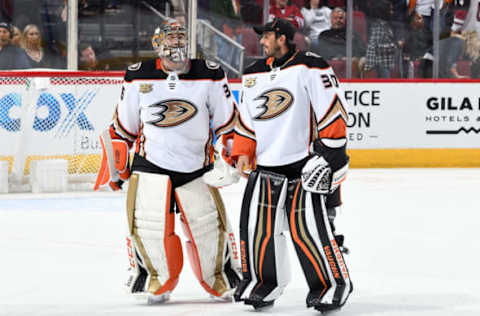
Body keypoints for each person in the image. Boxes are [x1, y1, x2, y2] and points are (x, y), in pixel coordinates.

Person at [94, 19, 241, 303]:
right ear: (157, 44)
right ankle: (154, 278)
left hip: (197, 167)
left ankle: (220, 277)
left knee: (209, 229)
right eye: (169, 37)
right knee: (149, 228)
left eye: (180, 37)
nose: (176, 42)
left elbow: (227, 123)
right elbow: (125, 127)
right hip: (152, 165)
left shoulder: (209, 74)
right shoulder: (138, 75)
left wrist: (229, 155)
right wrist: (117, 165)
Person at [232, 18, 352, 313]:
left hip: (304, 165)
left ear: (282, 38)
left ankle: (331, 285)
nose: (261, 42)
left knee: (308, 231)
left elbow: (332, 110)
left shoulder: (311, 65)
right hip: (267, 166)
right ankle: (263, 283)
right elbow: (246, 120)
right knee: (257, 230)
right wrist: (243, 151)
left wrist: (331, 155)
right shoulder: (252, 73)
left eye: (267, 37)